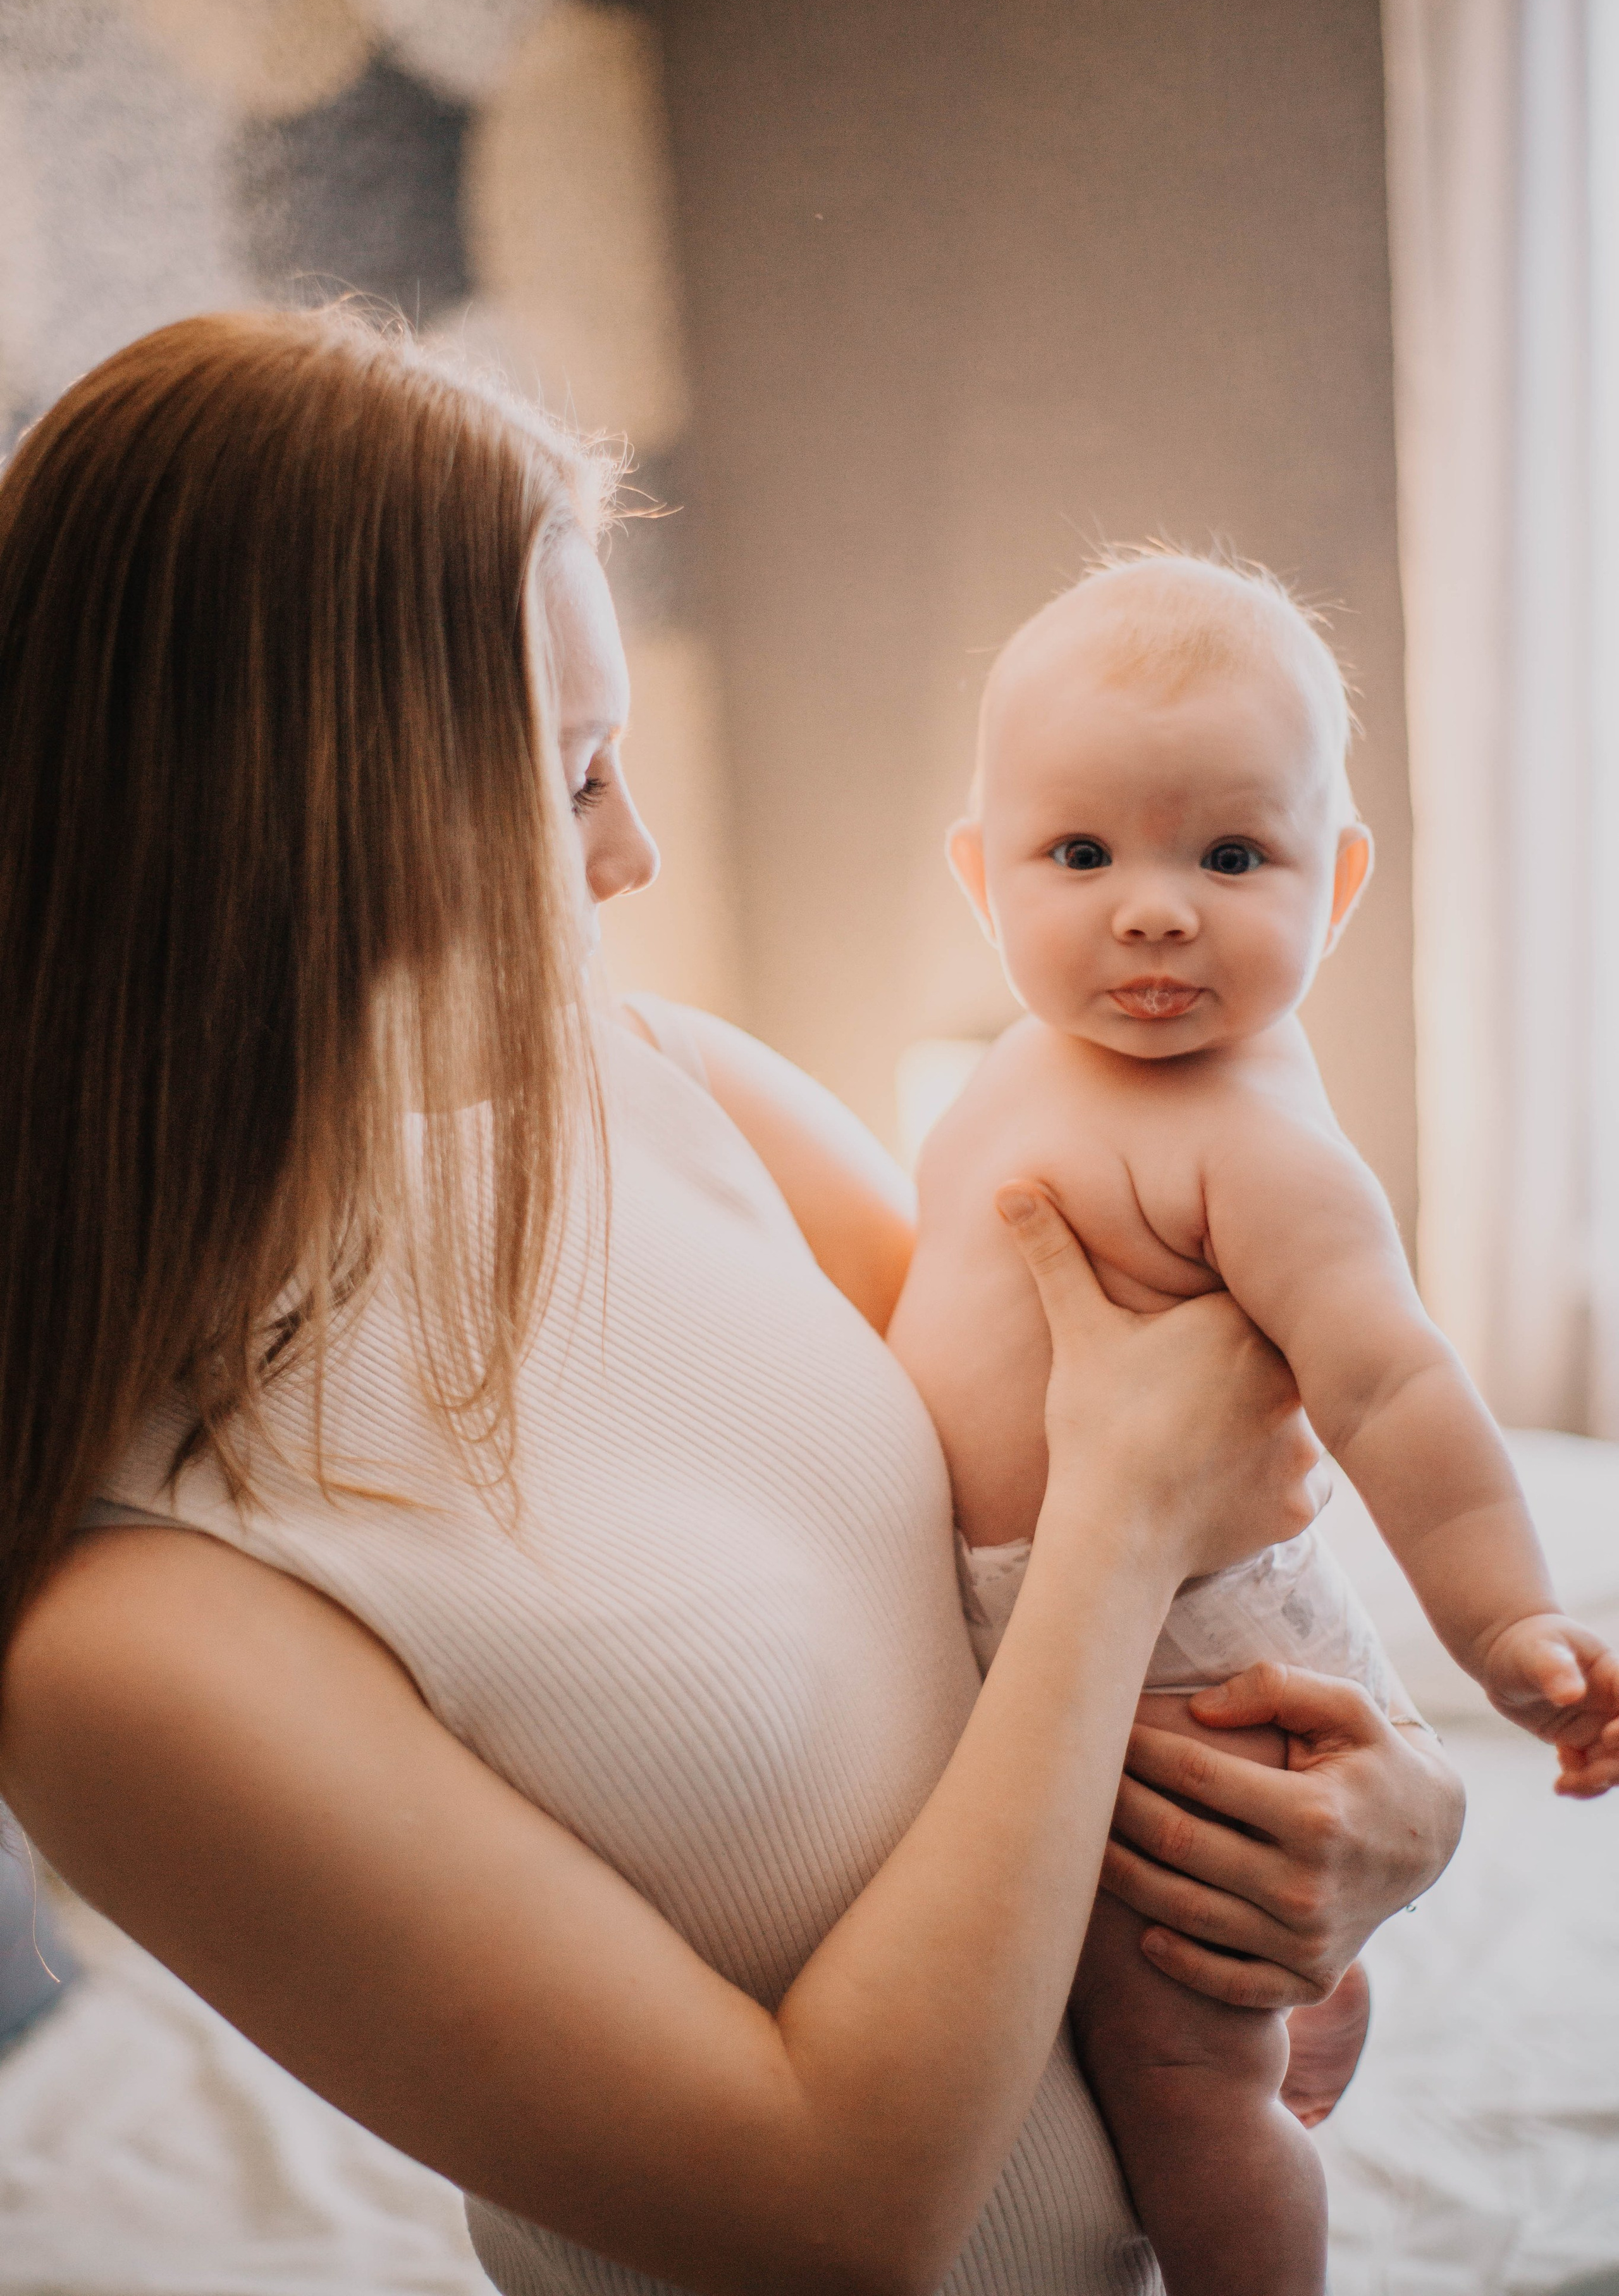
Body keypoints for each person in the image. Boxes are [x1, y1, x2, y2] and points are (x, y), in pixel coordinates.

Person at [0, 314, 1462, 2296]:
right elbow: (828, 2219)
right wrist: (1121, 1527)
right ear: (297, 812)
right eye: (575, 777)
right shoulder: (130, 1630)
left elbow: (1167, 1520)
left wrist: (1395, 1813)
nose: (637, 854)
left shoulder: (679, 1090)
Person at [889, 550, 1619, 2296]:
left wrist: (1508, 1624)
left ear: (1336, 880)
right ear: (983, 877)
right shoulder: (1008, 1072)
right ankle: (1319, 1997)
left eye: (1230, 857)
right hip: (1066, 1625)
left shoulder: (1258, 1142)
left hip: (1187, 1667)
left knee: (1178, 2079)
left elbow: (1397, 1387)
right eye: (1083, 855)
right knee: (1158, 2017)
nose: (1154, 912)